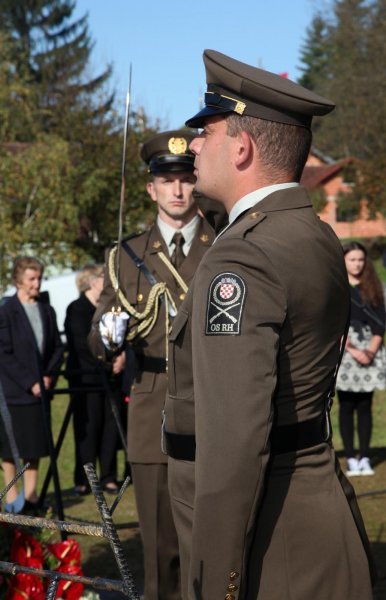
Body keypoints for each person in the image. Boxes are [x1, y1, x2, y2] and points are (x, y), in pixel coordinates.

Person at [162, 50, 375, 599]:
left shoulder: (240, 260)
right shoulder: (314, 234)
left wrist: (216, 581)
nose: (193, 146)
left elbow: (233, 445)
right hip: (312, 510)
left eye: (205, 130)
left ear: (242, 146)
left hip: (266, 542)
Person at [88, 129, 215, 600]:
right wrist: (109, 336)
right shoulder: (126, 257)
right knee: (159, 546)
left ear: (196, 183)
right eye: (168, 179)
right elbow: (99, 332)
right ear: (151, 188)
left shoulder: (225, 247)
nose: (178, 190)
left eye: (185, 178)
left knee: (211, 537)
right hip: (153, 401)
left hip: (212, 401)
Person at [0, 256, 64, 512]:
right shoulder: (6, 311)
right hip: (14, 393)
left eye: (39, 278)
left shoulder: (46, 310)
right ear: (19, 280)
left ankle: (31, 496)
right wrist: (30, 382)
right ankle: (12, 499)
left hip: (41, 392)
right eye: (32, 279)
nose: (37, 283)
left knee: (35, 446)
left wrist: (47, 377)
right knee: (11, 448)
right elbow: (3, 353)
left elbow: (57, 348)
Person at [64, 264, 124, 495]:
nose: (108, 282)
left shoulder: (109, 308)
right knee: (88, 427)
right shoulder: (76, 309)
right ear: (92, 282)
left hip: (111, 378)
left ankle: (109, 476)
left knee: (110, 426)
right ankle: (84, 478)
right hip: (86, 379)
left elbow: (119, 337)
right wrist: (107, 365)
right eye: (103, 278)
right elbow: (81, 346)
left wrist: (121, 358)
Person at [336, 241, 386, 476]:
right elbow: (332, 324)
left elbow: (380, 323)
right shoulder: (336, 287)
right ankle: (350, 458)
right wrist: (353, 349)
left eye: (360, 259)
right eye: (352, 259)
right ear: (343, 260)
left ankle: (365, 457)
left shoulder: (374, 287)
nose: (357, 264)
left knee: (365, 406)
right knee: (346, 406)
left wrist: (371, 350)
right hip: (346, 350)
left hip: (370, 350)